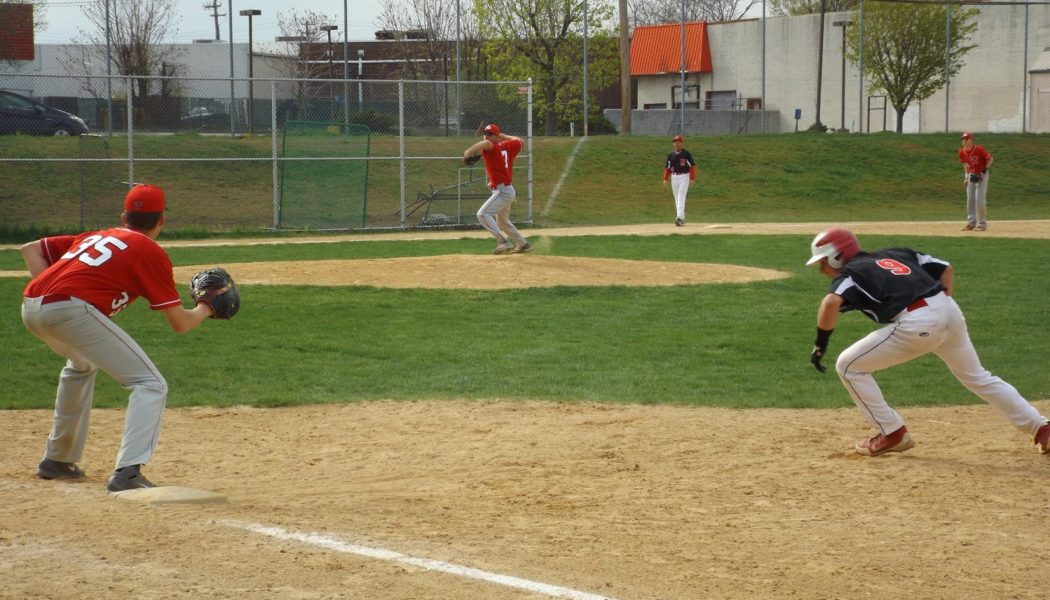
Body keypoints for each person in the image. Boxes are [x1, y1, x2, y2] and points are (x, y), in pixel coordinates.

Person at [21, 184, 217, 492]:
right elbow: (180, 323)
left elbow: (31, 249)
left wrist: (55, 294)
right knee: (151, 384)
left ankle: (57, 460)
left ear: (124, 216)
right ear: (161, 222)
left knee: (81, 365)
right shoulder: (150, 251)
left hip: (31, 306)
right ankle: (127, 473)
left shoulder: (94, 236)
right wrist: (207, 307)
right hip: (70, 311)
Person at [805, 227, 1050, 457]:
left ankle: (892, 433)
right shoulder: (896, 253)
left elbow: (830, 303)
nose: (821, 269)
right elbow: (946, 269)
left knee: (848, 366)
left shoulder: (851, 272)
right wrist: (938, 309)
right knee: (978, 377)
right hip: (948, 309)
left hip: (917, 322)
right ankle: (1042, 429)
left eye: (823, 262)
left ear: (837, 257)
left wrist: (820, 345)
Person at [463, 123, 531, 255]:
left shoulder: (490, 145)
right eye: (485, 133)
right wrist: (503, 137)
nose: (486, 136)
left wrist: (468, 152)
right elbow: (520, 141)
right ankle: (523, 244)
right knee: (502, 221)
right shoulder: (507, 146)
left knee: (482, 214)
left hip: (503, 191)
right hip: (506, 189)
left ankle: (502, 241)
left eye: (490, 134)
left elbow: (485, 144)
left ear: (496, 136)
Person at [958, 132, 994, 231]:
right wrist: (966, 177)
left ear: (971, 140)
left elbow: (990, 159)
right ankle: (971, 223)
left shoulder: (979, 149)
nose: (964, 141)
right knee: (970, 199)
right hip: (971, 175)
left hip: (982, 174)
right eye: (963, 139)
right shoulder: (962, 152)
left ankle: (982, 224)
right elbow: (965, 164)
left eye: (966, 139)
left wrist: (984, 171)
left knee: (979, 199)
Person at [662, 134, 697, 226]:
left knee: (681, 197)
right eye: (675, 142)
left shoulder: (686, 154)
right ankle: (681, 218)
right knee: (676, 198)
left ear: (681, 143)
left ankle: (679, 218)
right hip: (674, 177)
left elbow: (692, 166)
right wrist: (665, 178)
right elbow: (668, 168)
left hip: (684, 177)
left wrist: (692, 178)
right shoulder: (671, 155)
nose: (676, 144)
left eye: (678, 142)